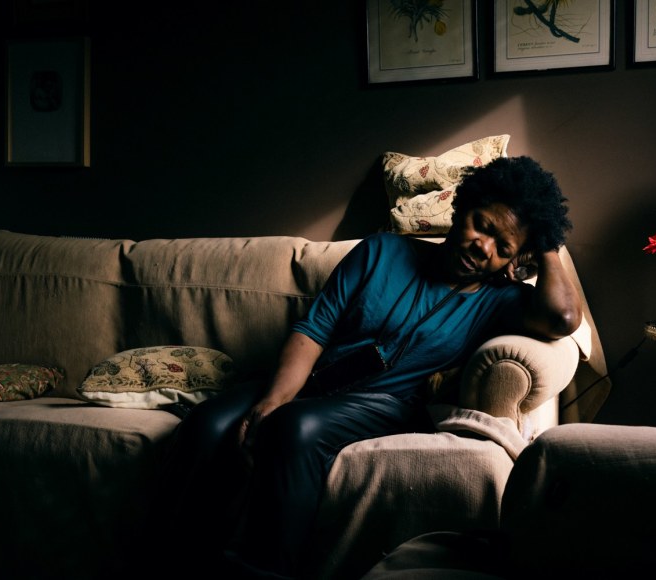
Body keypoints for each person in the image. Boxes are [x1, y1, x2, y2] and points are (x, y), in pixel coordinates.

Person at [150, 155, 582, 579]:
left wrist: (545, 241)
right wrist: (273, 400)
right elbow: (314, 329)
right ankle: (171, 559)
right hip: (313, 382)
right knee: (208, 424)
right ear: (462, 207)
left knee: (295, 427)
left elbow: (563, 318)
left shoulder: (499, 300)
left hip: (386, 404)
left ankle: (267, 570)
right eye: (482, 225)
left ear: (514, 260)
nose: (483, 248)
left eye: (503, 248)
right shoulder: (381, 251)